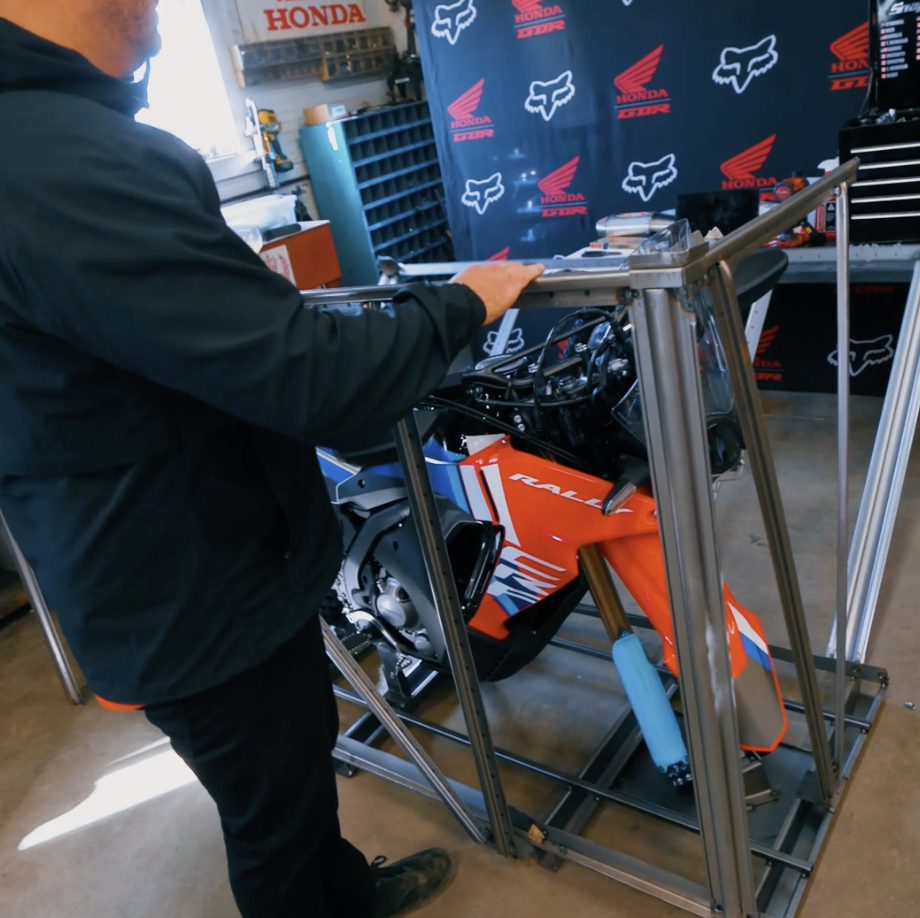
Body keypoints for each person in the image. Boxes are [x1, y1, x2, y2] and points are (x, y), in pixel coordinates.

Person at [0, 3, 544, 917]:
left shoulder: (56, 138)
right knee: (272, 824)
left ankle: (345, 895)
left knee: (291, 783)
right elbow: (314, 384)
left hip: (169, 562)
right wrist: (460, 307)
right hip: (191, 589)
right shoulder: (59, 162)